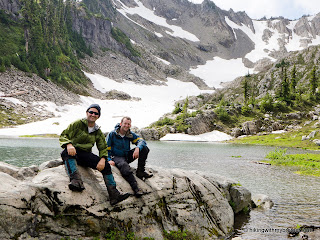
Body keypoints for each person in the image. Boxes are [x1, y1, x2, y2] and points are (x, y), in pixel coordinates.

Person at [59, 104, 130, 205]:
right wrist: (69, 144)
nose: (93, 114)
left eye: (96, 113)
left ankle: (114, 194)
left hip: (85, 154)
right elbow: (64, 135)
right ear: (87, 113)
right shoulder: (77, 123)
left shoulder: (97, 131)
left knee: (106, 166)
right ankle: (76, 181)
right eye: (91, 112)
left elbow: (103, 147)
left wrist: (103, 159)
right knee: (65, 153)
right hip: (73, 151)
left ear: (98, 116)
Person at [106, 116, 153, 197]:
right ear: (121, 124)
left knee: (144, 149)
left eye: (128, 124)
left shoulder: (129, 134)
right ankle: (136, 188)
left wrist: (138, 148)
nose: (126, 125)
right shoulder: (112, 134)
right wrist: (109, 159)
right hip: (116, 157)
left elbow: (141, 141)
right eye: (125, 123)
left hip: (126, 156)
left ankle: (140, 171)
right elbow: (105, 149)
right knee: (125, 166)